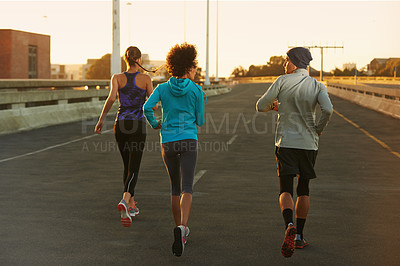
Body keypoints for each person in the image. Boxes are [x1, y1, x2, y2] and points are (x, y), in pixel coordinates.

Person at [256, 47, 333, 258]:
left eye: (286, 60)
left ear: (293, 62)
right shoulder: (317, 85)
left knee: (285, 189)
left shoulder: (282, 81)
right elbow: (328, 109)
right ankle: (299, 236)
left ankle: (288, 224)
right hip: (309, 143)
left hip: (286, 142)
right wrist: (318, 129)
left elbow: (260, 105)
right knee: (304, 188)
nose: (284, 65)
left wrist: (274, 106)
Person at [143, 43, 205, 257]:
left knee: (174, 188)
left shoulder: (161, 88)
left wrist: (155, 123)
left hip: (167, 141)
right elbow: (201, 120)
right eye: (195, 67)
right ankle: (182, 229)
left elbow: (146, 107)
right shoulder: (196, 90)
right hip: (188, 139)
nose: (196, 71)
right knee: (187, 186)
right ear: (188, 68)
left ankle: (178, 226)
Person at [94, 46, 155, 228]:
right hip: (136, 125)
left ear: (126, 60)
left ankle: (131, 205)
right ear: (139, 60)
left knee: (127, 166)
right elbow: (151, 104)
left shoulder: (117, 78)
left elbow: (112, 98)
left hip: (120, 125)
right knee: (134, 166)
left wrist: (101, 120)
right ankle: (125, 199)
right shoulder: (145, 78)